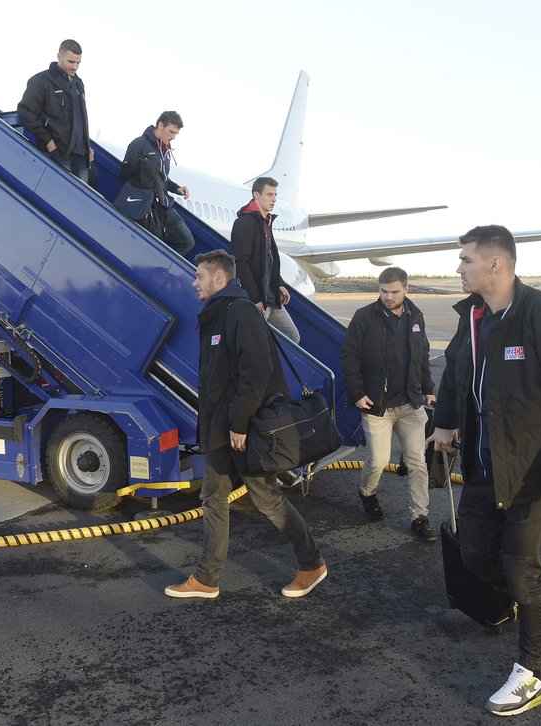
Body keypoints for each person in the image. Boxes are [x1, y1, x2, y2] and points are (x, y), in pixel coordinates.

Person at [430, 225, 541, 717]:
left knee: (520, 568)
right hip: (483, 468)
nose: (458, 267)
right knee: (474, 556)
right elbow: (454, 372)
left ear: (495, 264)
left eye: (465, 259)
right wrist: (444, 422)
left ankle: (532, 672)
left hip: (533, 473)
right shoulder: (473, 319)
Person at [165, 250, 326, 599]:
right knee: (213, 496)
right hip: (223, 430)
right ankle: (207, 579)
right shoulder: (220, 313)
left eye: (200, 276)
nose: (195, 282)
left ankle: (311, 564)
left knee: (266, 498)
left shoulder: (239, 312)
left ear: (218, 278)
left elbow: (256, 373)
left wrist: (238, 424)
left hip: (241, 430)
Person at [340, 266, 437, 540]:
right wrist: (358, 392)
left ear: (406, 289)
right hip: (377, 405)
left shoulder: (415, 317)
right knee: (378, 461)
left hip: (409, 403)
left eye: (394, 292)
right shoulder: (364, 317)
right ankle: (367, 493)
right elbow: (349, 357)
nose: (388, 297)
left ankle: (420, 516)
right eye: (384, 291)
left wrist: (428, 389)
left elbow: (422, 354)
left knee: (418, 462)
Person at [230, 176, 300, 343]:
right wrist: (255, 298)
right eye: (269, 194)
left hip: (272, 297)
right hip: (258, 299)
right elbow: (240, 262)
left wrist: (280, 283)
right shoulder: (244, 223)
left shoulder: (266, 222)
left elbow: (270, 261)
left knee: (292, 337)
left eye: (275, 195)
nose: (274, 199)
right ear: (256, 195)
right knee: (255, 345)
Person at [18, 39, 93, 185]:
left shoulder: (79, 84)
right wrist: (49, 143)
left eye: (78, 63)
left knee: (77, 203)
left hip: (82, 157)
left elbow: (79, 118)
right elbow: (25, 112)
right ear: (59, 57)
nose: (75, 67)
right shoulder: (41, 80)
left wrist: (86, 143)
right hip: (59, 155)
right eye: (71, 62)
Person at [119, 111, 195, 256]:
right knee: (154, 244)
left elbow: (163, 180)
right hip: (147, 204)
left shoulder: (165, 151)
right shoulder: (139, 144)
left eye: (176, 134)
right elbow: (124, 173)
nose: (173, 137)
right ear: (160, 125)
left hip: (165, 204)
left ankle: (162, 266)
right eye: (171, 132)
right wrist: (143, 168)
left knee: (187, 241)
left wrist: (177, 188)